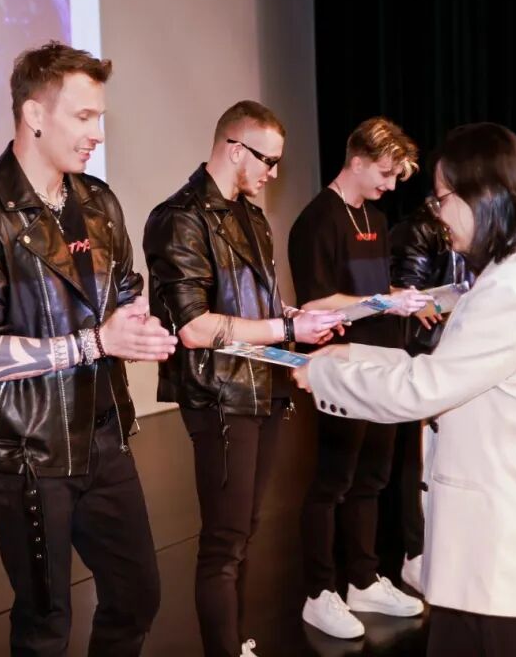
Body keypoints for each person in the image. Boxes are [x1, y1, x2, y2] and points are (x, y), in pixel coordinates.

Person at [294, 122, 516, 656]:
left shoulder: (515, 288)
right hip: (501, 554)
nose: (437, 216)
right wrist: (352, 356)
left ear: (481, 195)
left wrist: (325, 374)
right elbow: (455, 369)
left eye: (442, 199)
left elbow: (426, 387)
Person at [0, 41, 176, 656]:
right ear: (34, 115)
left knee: (137, 596)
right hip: (26, 456)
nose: (97, 134)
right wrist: (96, 342)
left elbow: (124, 290)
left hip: (105, 437)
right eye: (83, 117)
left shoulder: (98, 203)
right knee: (45, 625)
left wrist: (138, 323)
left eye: (100, 117)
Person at [143, 100, 343, 657]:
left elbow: (258, 308)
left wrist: (297, 323)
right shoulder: (179, 218)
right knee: (225, 540)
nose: (274, 173)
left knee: (244, 530)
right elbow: (194, 328)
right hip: (218, 393)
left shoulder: (252, 217)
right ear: (235, 149)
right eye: (268, 160)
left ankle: (233, 643)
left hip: (264, 386)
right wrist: (286, 327)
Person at [288, 117, 432, 639]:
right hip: (340, 368)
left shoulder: (374, 215)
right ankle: (318, 592)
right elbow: (315, 303)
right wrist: (383, 302)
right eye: (386, 173)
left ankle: (364, 580)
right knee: (333, 481)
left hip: (382, 362)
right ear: (357, 161)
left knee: (372, 478)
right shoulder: (316, 220)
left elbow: (371, 287)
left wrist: (406, 299)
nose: (391, 185)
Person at [387, 186, 475, 593]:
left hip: (456, 355)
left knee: (448, 457)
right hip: (424, 356)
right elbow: (404, 292)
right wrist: (419, 302)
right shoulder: (419, 230)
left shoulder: (475, 230)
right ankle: (416, 553)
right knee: (419, 459)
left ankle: (443, 547)